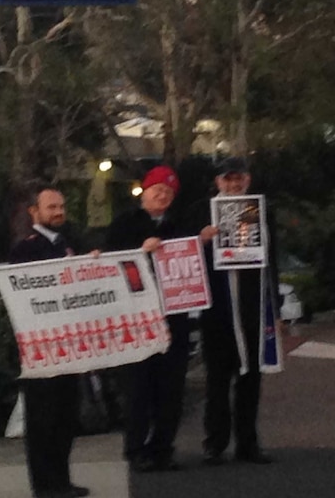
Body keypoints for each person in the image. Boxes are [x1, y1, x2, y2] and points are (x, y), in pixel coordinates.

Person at [105, 165, 193, 473]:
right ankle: (136, 449)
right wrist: (140, 251)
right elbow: (107, 264)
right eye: (157, 189)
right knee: (138, 390)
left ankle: (163, 448)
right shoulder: (124, 224)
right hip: (136, 319)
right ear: (145, 190)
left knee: (170, 390)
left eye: (168, 192)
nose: (162, 195)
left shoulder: (180, 225)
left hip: (174, 318)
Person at [8, 186, 90, 498]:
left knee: (66, 416)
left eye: (61, 206)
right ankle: (44, 485)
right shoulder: (25, 249)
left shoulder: (70, 241)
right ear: (34, 212)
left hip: (69, 344)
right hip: (40, 347)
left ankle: (62, 479)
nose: (58, 212)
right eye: (51, 207)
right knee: (43, 418)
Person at [198, 157, 276, 466]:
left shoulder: (261, 212)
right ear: (218, 182)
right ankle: (214, 443)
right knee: (217, 380)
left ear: (247, 179)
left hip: (251, 310)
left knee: (251, 379)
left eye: (238, 178)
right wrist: (202, 239)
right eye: (227, 179)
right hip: (216, 311)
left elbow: (273, 259)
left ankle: (248, 443)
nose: (233, 184)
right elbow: (185, 255)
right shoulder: (201, 213)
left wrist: (276, 309)